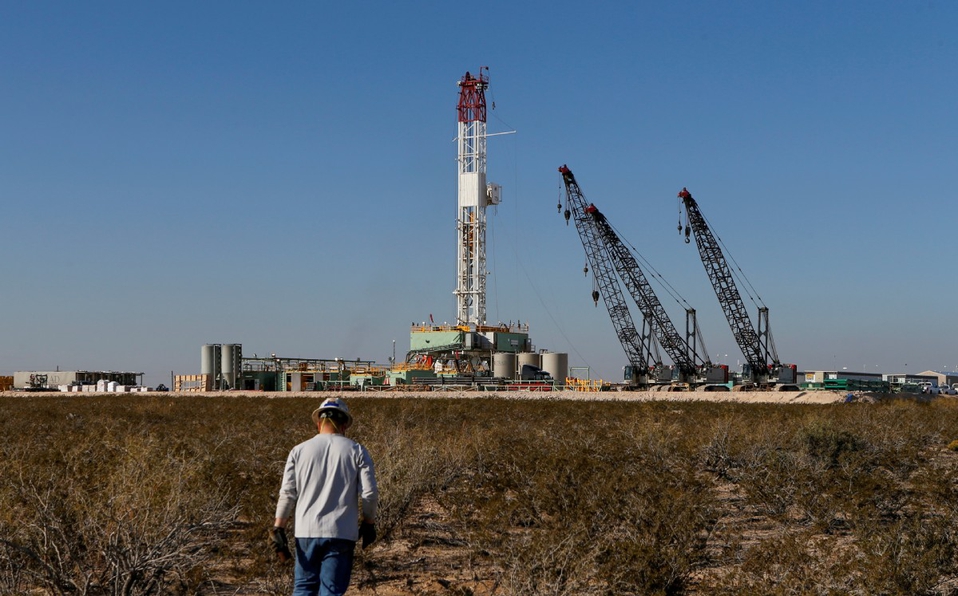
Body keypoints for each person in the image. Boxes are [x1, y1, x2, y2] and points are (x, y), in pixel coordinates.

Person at [272, 397, 379, 596]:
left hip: (306, 531)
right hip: (341, 532)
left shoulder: (298, 451)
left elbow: (287, 493)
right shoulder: (357, 451)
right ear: (344, 424)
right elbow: (369, 493)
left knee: (303, 588)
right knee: (331, 591)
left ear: (319, 422)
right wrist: (369, 522)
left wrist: (279, 527)